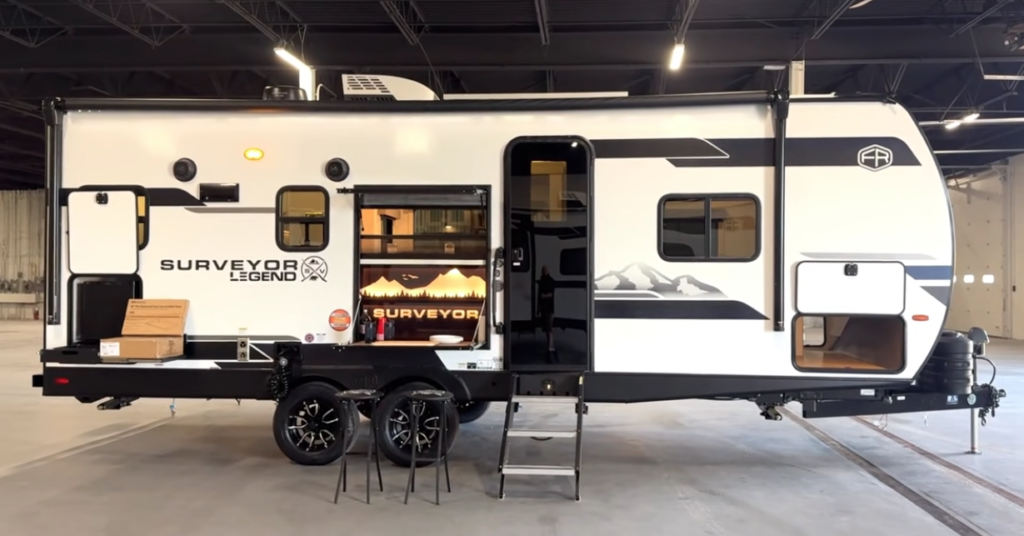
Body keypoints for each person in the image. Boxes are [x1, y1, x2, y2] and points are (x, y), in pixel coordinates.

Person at [536, 265, 557, 359]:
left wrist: (544, 296)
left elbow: (551, 294)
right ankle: (550, 347)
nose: (543, 271)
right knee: (547, 329)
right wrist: (538, 308)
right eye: (542, 269)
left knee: (549, 329)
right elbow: (538, 297)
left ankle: (551, 348)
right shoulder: (542, 281)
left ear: (548, 271)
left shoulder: (550, 281)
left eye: (544, 270)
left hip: (548, 308)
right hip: (544, 308)